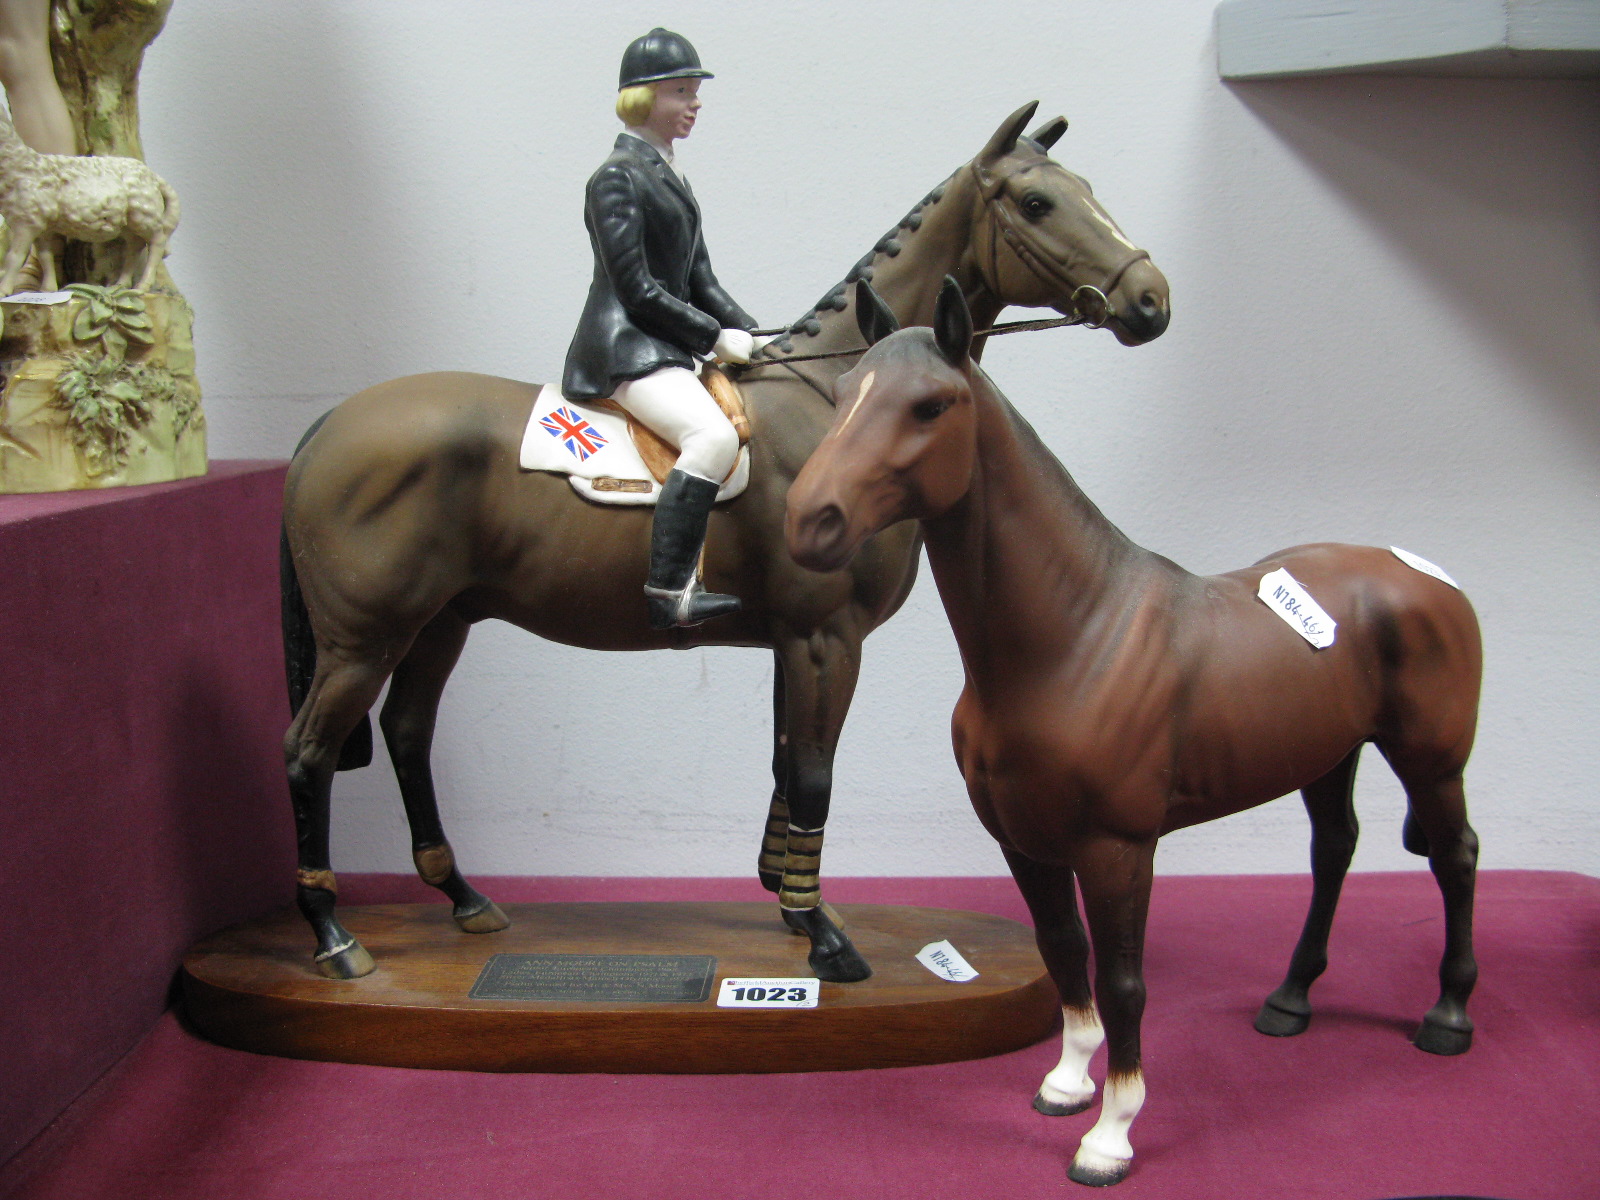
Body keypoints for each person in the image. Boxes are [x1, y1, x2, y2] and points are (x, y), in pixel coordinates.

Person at [563, 28, 760, 630]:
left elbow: (701, 280)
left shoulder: (670, 176)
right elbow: (637, 289)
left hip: (662, 342)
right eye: (681, 92)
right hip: (626, 348)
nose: (694, 104)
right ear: (641, 99)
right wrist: (710, 337)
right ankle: (668, 590)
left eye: (694, 91)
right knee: (713, 438)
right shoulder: (616, 178)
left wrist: (765, 335)